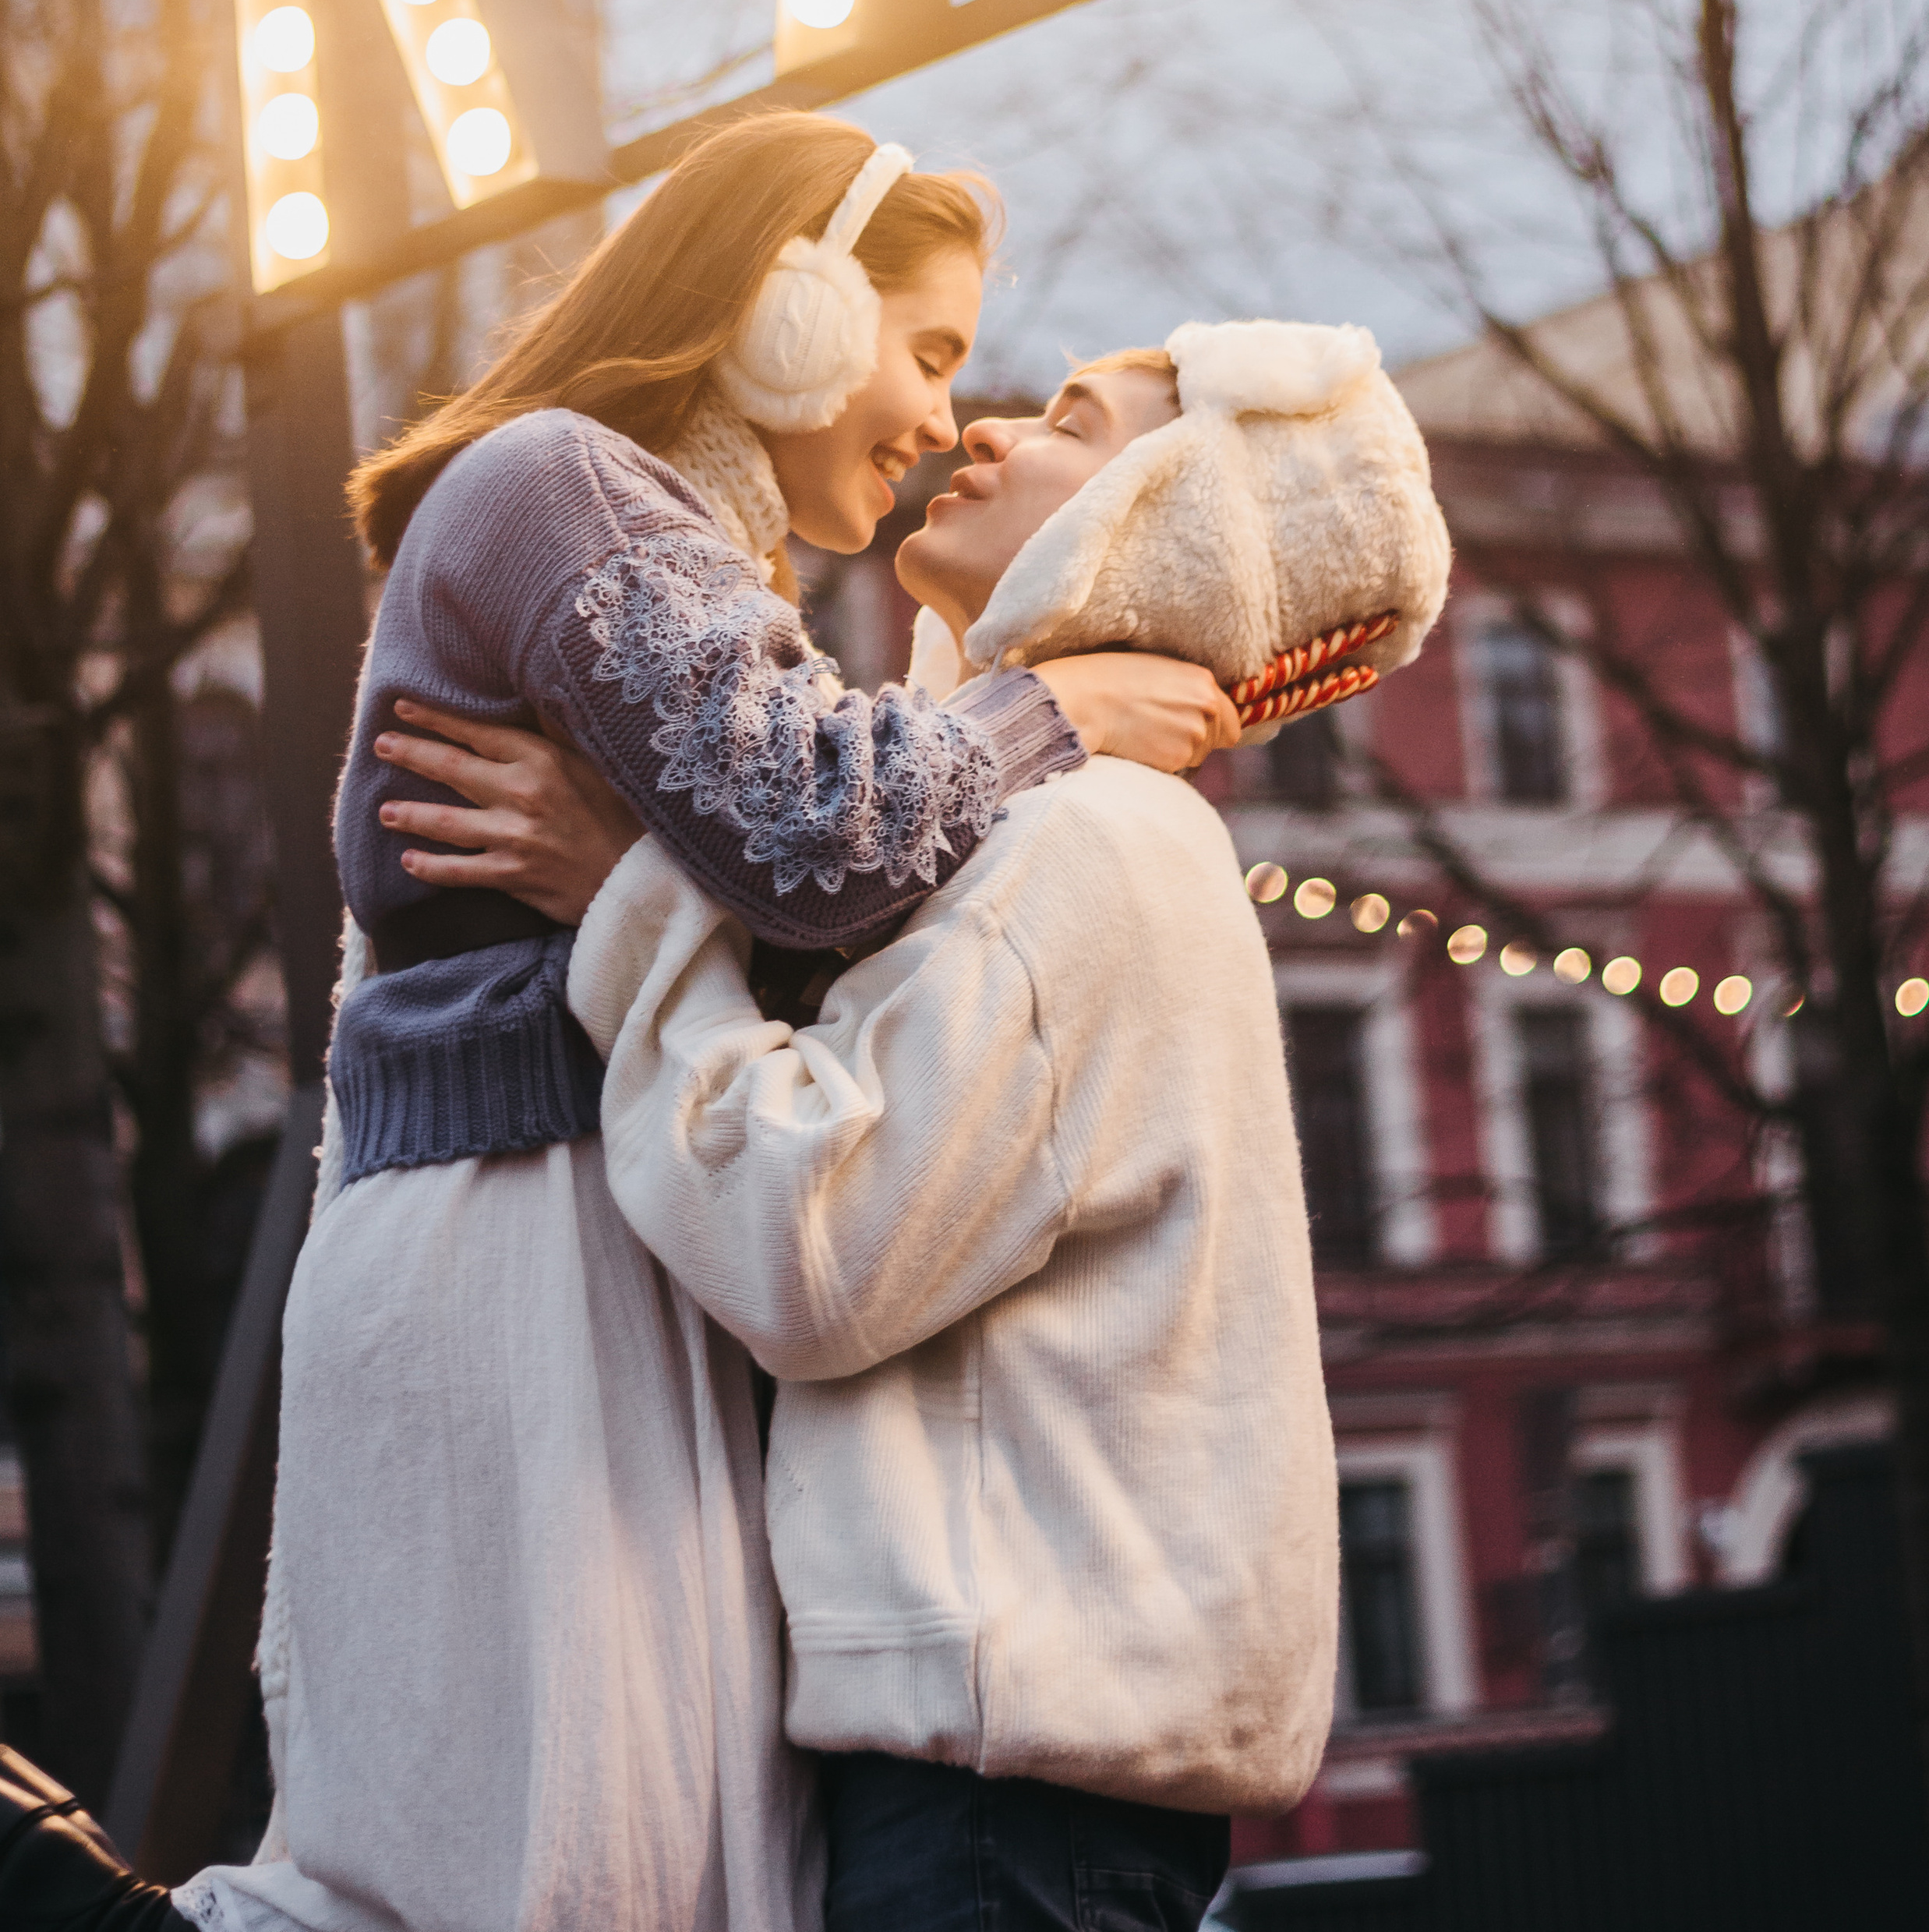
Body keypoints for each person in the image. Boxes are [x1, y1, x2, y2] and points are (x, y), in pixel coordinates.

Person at [94, 112, 1229, 1932]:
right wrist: (1049, 707)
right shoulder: (566, 486)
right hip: (508, 1230)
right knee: (548, 1881)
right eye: (926, 349)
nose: (943, 416)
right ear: (783, 303)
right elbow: (817, 834)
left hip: (585, 1233)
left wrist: (627, 861)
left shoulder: (689, 565)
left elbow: (791, 893)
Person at [419, 317, 1452, 1932]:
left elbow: (807, 1247)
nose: (978, 430)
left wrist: (622, 899)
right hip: (1007, 1782)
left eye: (1065, 419)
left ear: (1170, 512)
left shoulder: (1090, 846)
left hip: (998, 1798)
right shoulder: (1059, 842)